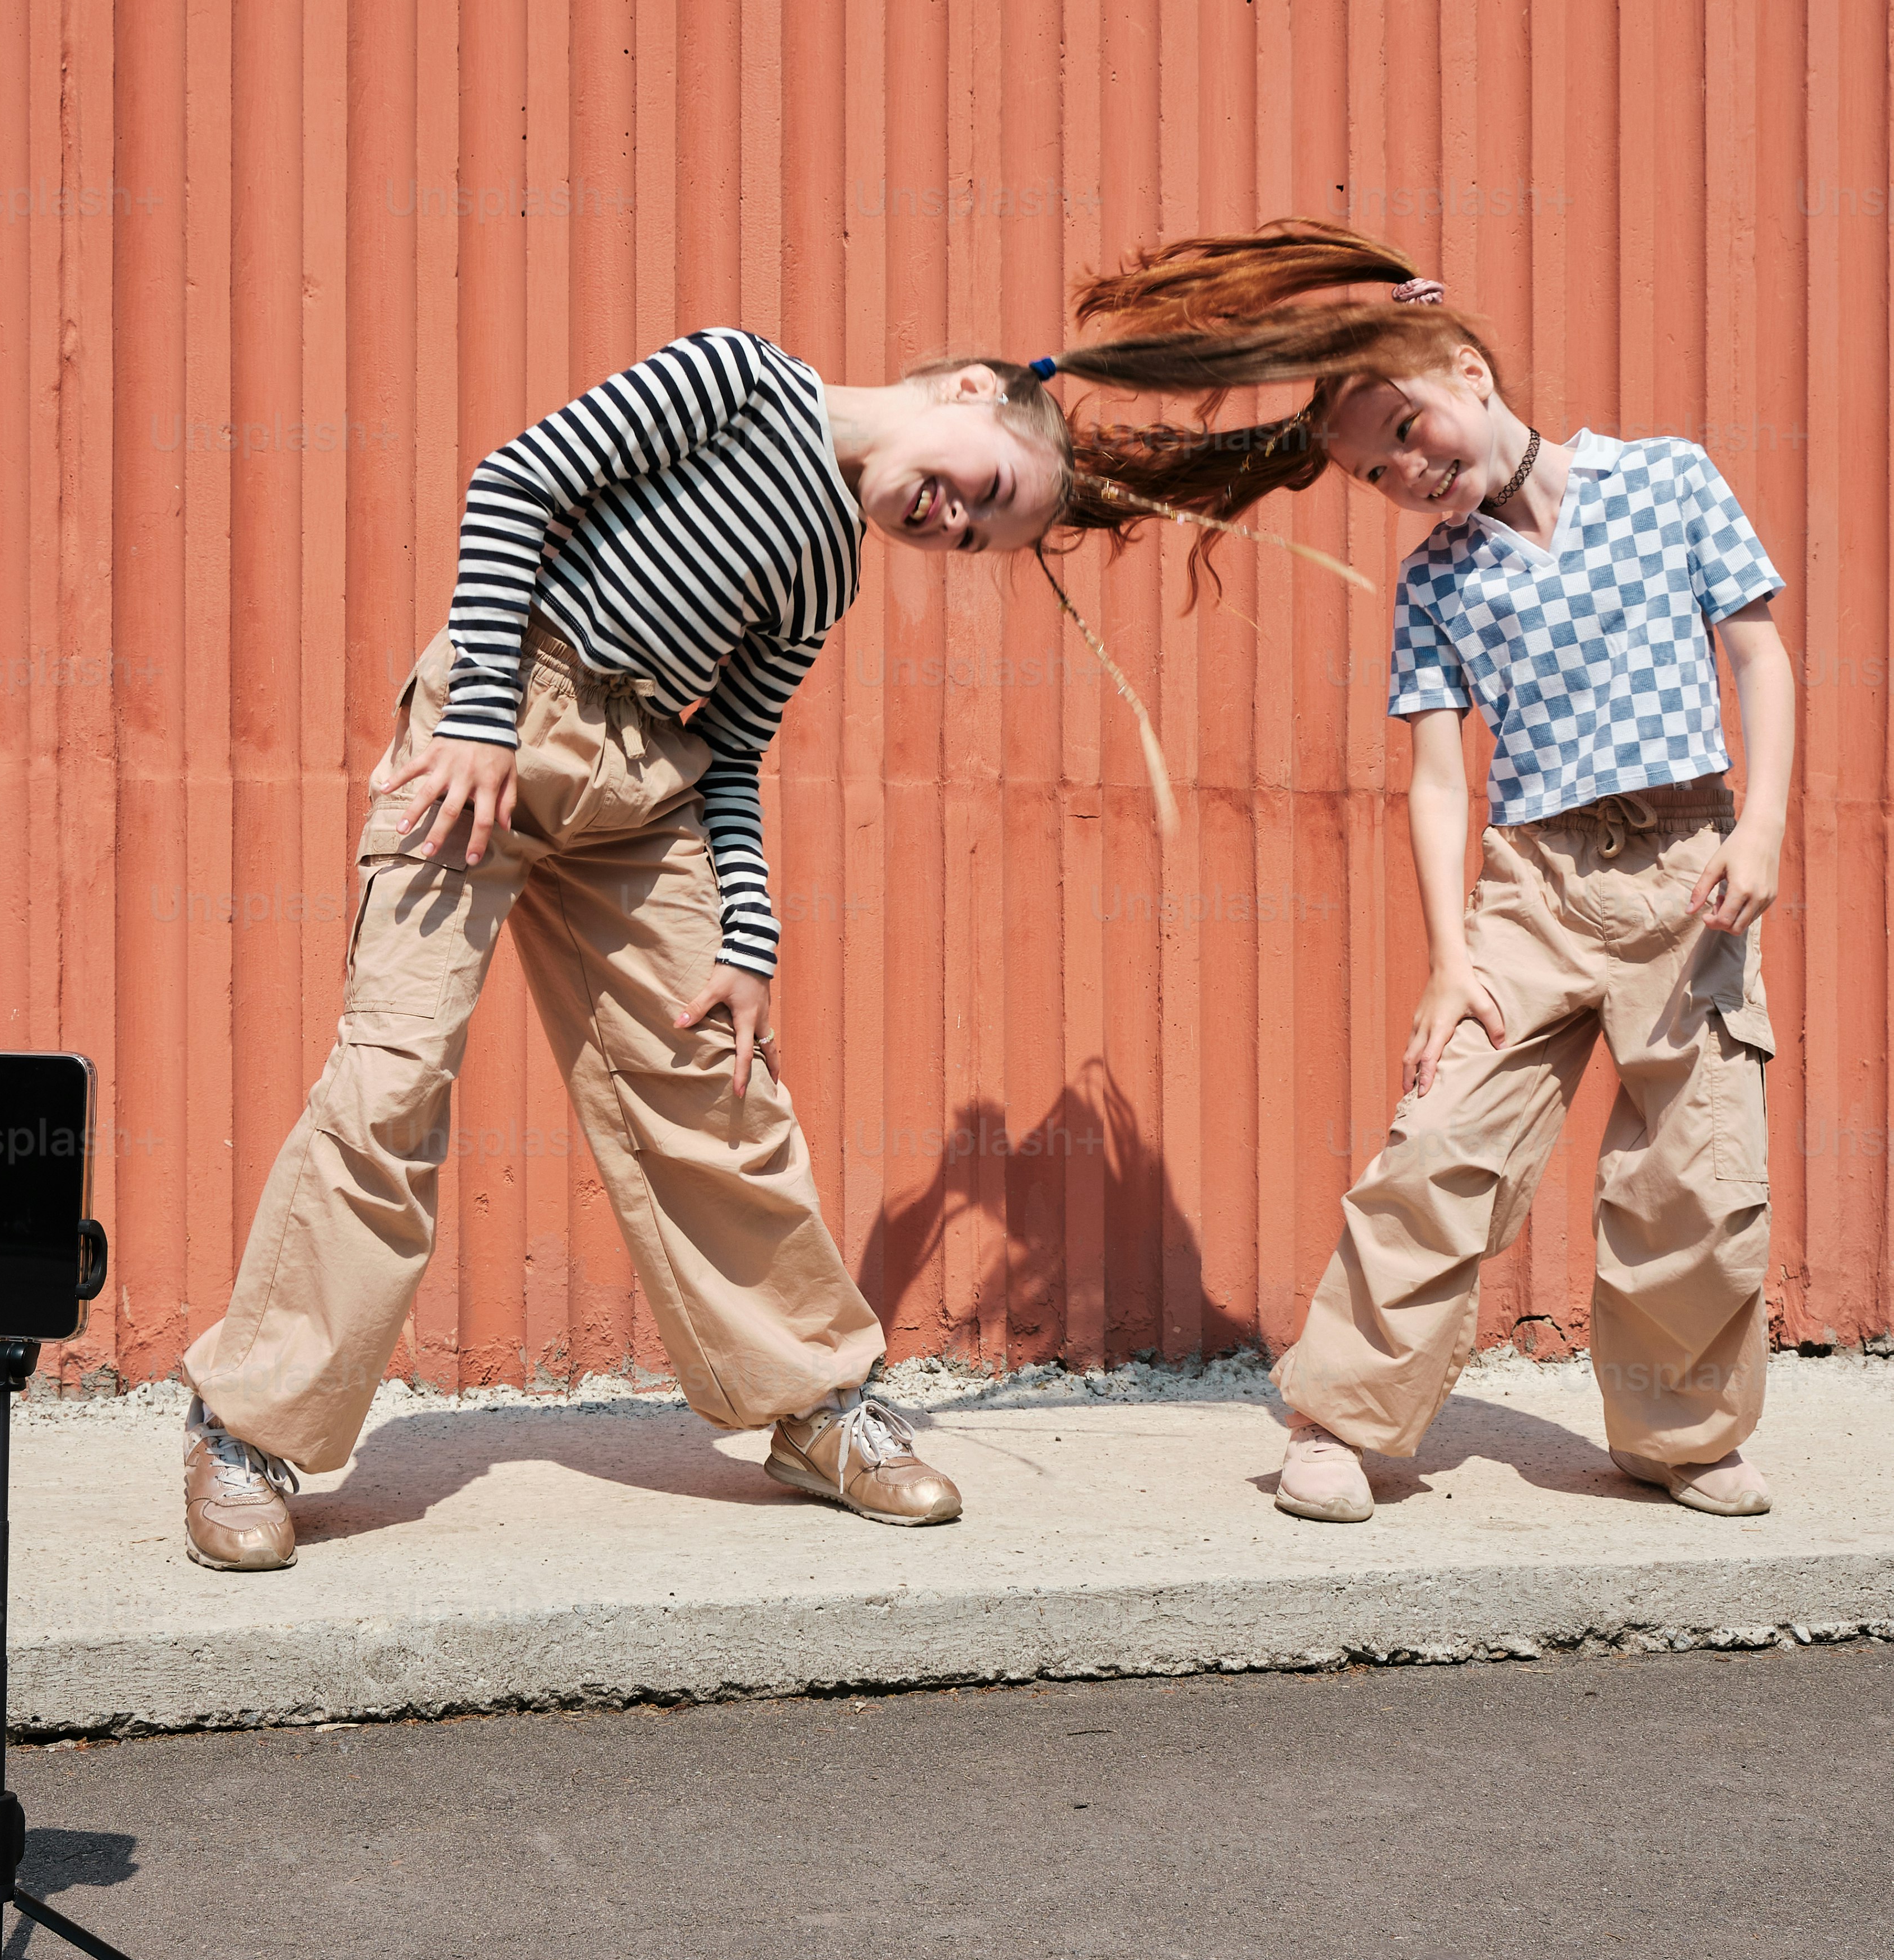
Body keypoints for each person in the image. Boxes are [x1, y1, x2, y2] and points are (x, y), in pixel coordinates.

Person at [179, 316, 1289, 1570]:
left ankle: (815, 1409)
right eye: (981, 490)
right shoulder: (739, 377)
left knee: (715, 1082)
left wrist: (749, 935)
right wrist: (486, 707)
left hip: (639, 793)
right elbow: (514, 483)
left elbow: (738, 750)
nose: (952, 524)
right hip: (488, 736)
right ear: (972, 392)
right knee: (390, 1082)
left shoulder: (833, 571)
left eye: (977, 536)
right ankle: (246, 1432)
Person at [1038, 222, 1794, 1525]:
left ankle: (1678, 1434)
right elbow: (1440, 776)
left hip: (1690, 871)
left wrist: (1763, 824)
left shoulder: (1668, 480)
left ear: (1466, 365)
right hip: (1531, 888)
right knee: (1439, 1142)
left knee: (1695, 1173)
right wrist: (1450, 957)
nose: (1404, 471)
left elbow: (1758, 658)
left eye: (1406, 431)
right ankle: (1338, 1417)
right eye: (1373, 471)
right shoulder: (1437, 579)